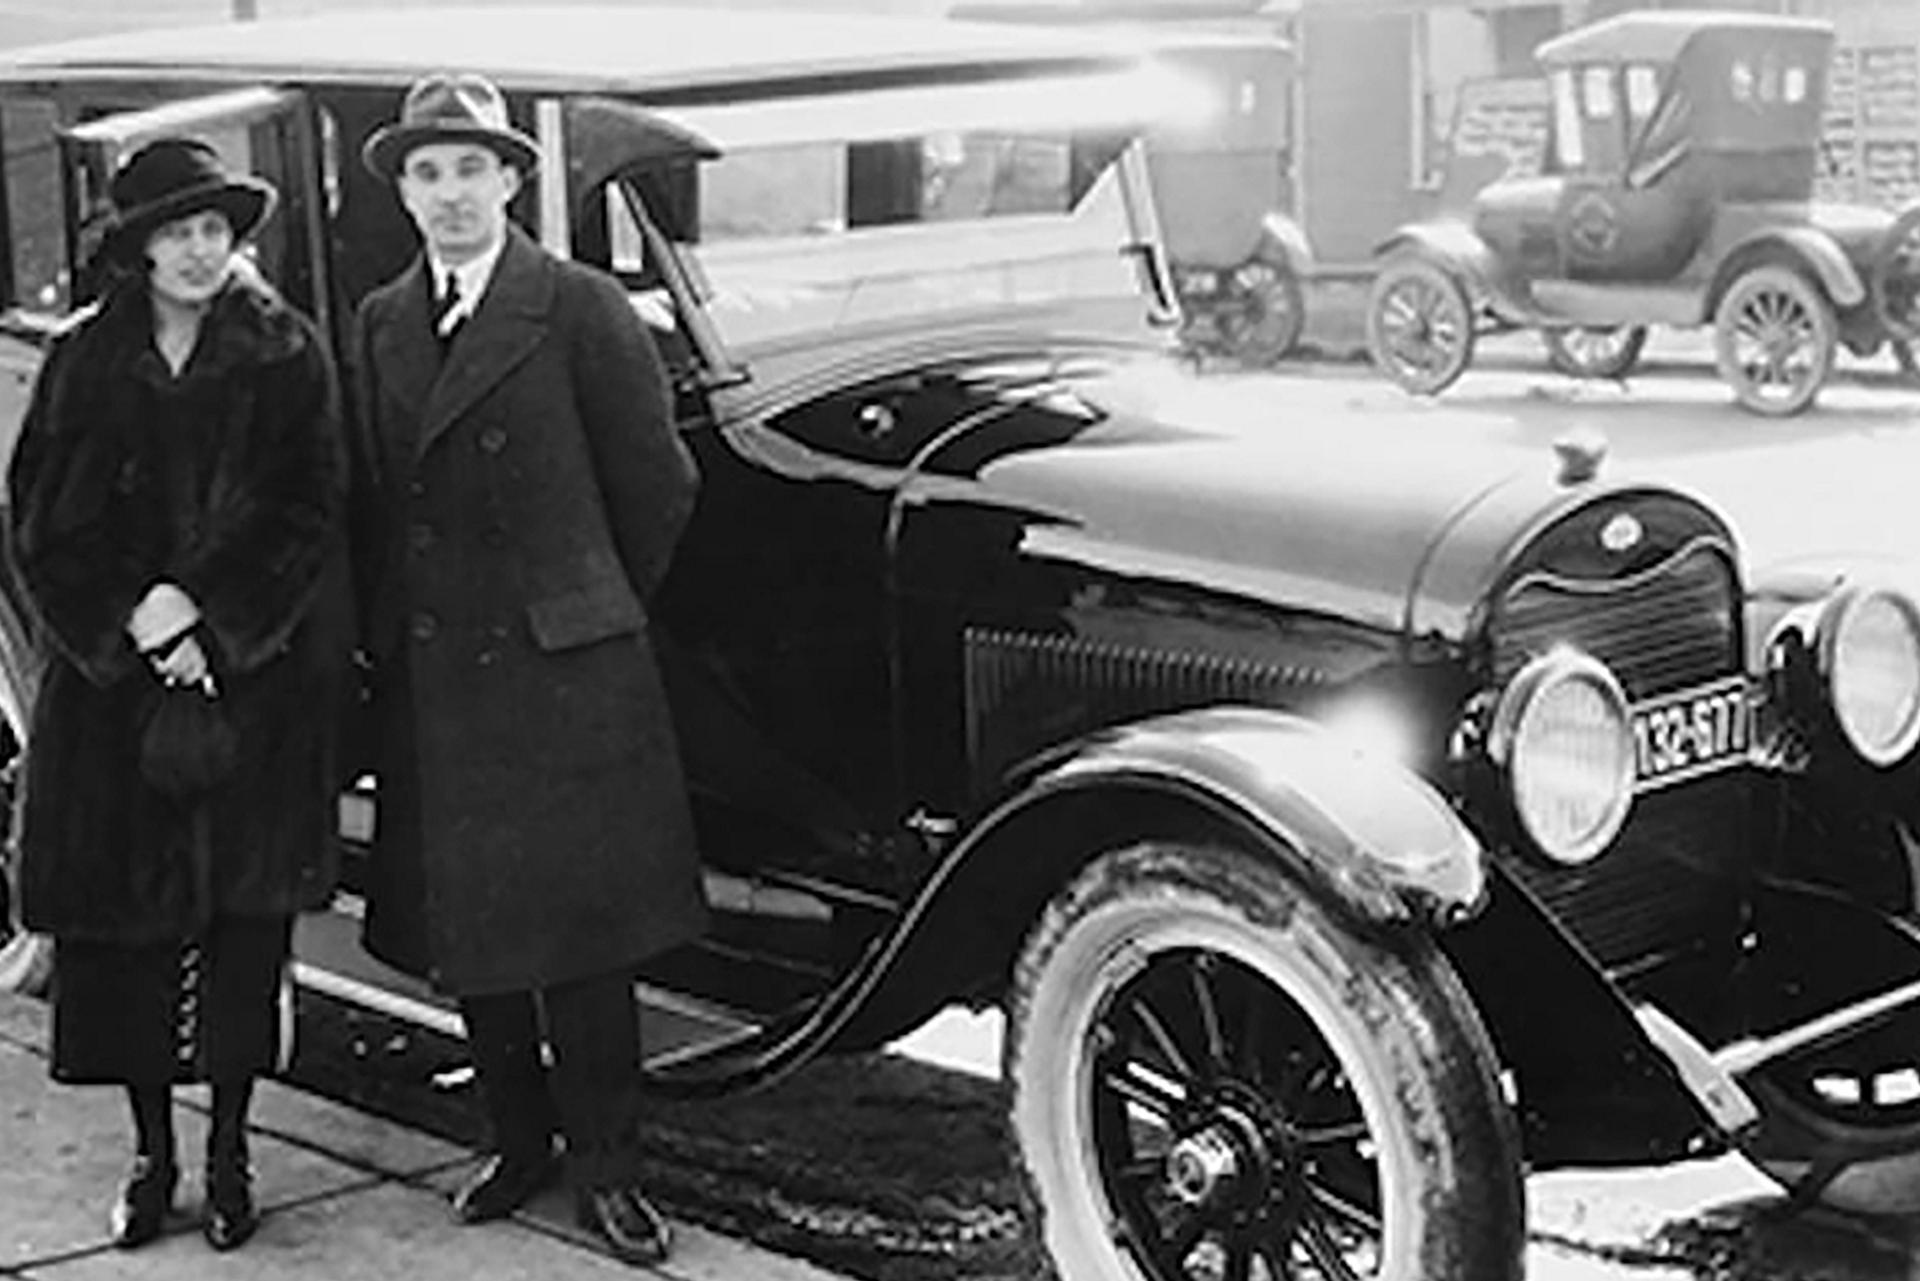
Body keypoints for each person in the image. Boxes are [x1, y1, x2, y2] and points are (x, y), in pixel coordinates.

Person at [347, 73, 705, 1266]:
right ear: (403, 190)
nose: (449, 193)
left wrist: (583, 608)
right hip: (443, 675)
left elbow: (657, 487)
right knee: (475, 927)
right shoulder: (383, 322)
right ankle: (518, 1143)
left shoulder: (580, 306)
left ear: (511, 179)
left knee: (583, 940)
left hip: (565, 674)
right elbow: (372, 493)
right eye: (426, 172)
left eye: (469, 169)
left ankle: (610, 1169)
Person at [5, 138, 349, 1252]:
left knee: (242, 934)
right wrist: (135, 622)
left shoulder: (285, 351)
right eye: (178, 232)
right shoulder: (84, 360)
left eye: (215, 230)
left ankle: (234, 1150)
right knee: (129, 941)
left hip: (250, 689)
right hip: (114, 709)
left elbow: (309, 513)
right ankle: (154, 1154)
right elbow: (40, 522)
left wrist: (212, 618)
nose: (201, 252)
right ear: (140, 247)